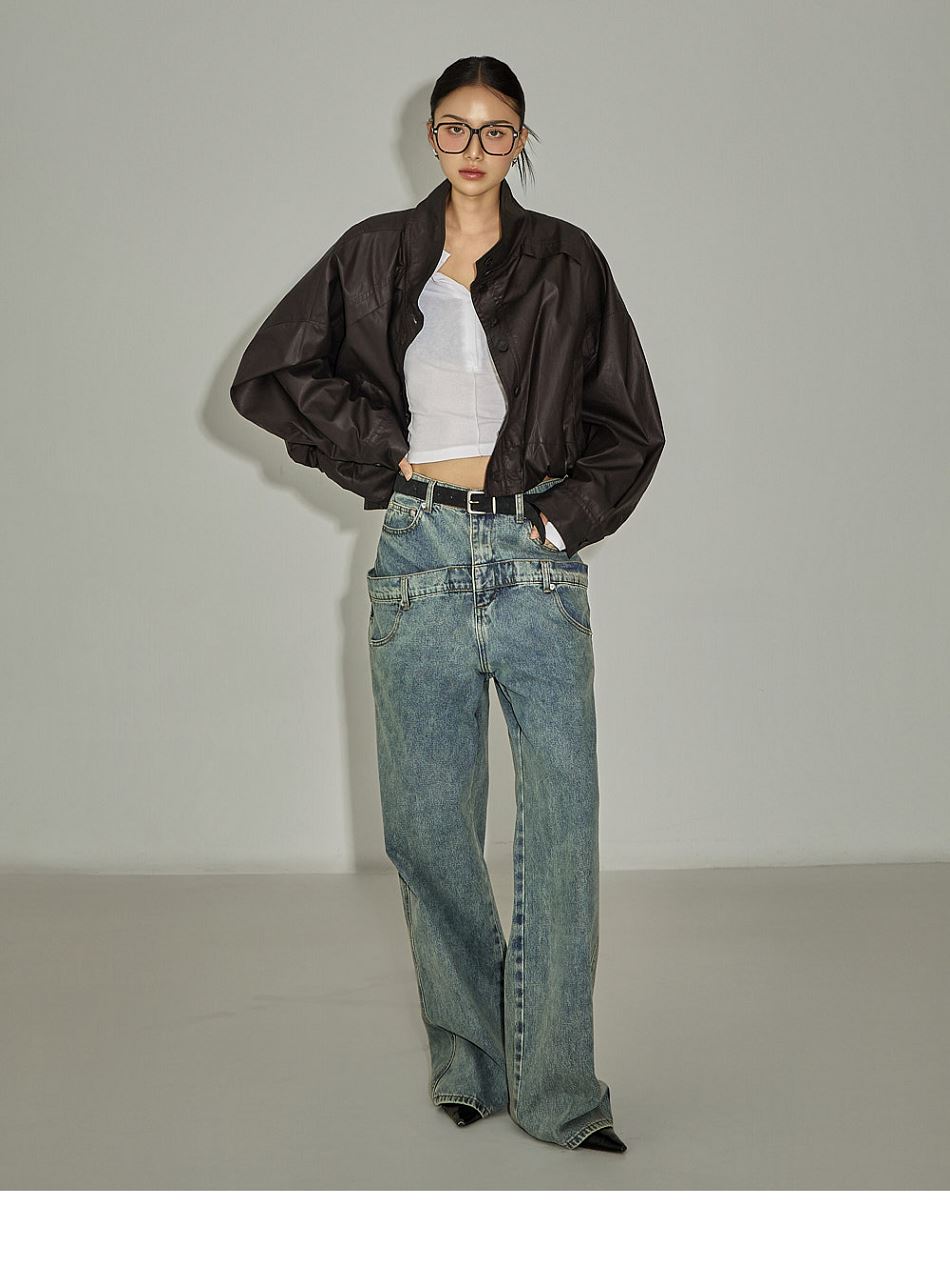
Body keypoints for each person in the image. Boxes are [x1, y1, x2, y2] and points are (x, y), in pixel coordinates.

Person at [229, 56, 665, 1152]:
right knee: (426, 828)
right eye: (455, 128)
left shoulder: (568, 259)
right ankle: (468, 1061)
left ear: (522, 140)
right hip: (418, 551)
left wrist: (558, 522)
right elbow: (275, 371)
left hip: (531, 557)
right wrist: (383, 453)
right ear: (430, 136)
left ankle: (560, 1091)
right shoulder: (376, 251)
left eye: (496, 129)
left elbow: (629, 422)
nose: (475, 149)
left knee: (560, 830)